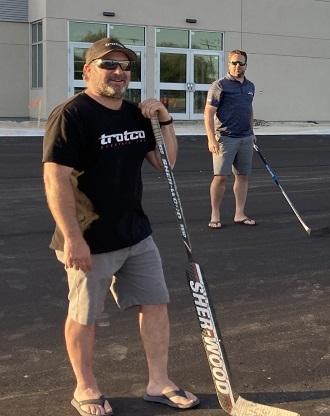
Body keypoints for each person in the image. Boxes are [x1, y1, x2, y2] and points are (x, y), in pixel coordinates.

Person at [42, 37, 199, 416]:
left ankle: (159, 382)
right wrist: (73, 238)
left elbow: (166, 163)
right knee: (85, 316)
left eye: (125, 66)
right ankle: (85, 387)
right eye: (108, 65)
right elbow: (54, 179)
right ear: (87, 71)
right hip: (89, 239)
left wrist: (165, 120)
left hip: (135, 234)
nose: (118, 72)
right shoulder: (72, 115)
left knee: (156, 305)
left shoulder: (133, 115)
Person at [205, 49, 256, 228]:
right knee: (220, 177)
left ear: (246, 65)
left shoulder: (250, 86)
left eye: (241, 63)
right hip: (225, 138)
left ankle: (239, 214)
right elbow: (208, 113)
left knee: (242, 176)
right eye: (234, 63)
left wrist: (252, 132)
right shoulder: (219, 85)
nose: (237, 66)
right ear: (229, 64)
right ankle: (215, 215)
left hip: (245, 138)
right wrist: (211, 139)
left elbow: (249, 109)